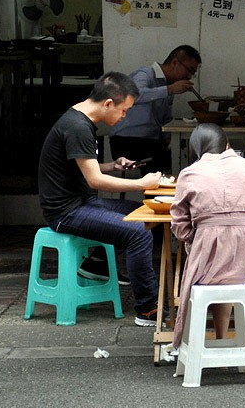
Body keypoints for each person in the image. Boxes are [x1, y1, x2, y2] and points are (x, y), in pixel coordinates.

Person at [37, 72, 163, 326]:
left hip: (82, 203)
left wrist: (114, 165)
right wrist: (141, 183)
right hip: (65, 212)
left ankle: (96, 264)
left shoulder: (80, 120)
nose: (124, 116)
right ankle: (147, 310)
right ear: (108, 104)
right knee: (138, 231)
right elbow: (94, 181)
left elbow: (86, 168)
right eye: (124, 110)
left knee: (146, 213)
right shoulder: (77, 127)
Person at [169, 124, 245, 348]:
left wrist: (197, 237)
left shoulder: (189, 173)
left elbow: (178, 223)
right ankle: (224, 339)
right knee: (228, 274)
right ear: (227, 145)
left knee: (213, 275)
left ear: (197, 150)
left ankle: (211, 341)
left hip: (206, 262)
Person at [109, 45, 201, 175]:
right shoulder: (145, 74)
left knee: (184, 154)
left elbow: (165, 118)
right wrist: (169, 90)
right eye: (189, 70)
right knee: (172, 162)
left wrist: (169, 139)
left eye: (193, 73)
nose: (190, 76)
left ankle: (164, 190)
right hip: (126, 141)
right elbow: (133, 96)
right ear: (175, 63)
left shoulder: (168, 85)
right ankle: (158, 191)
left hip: (150, 140)